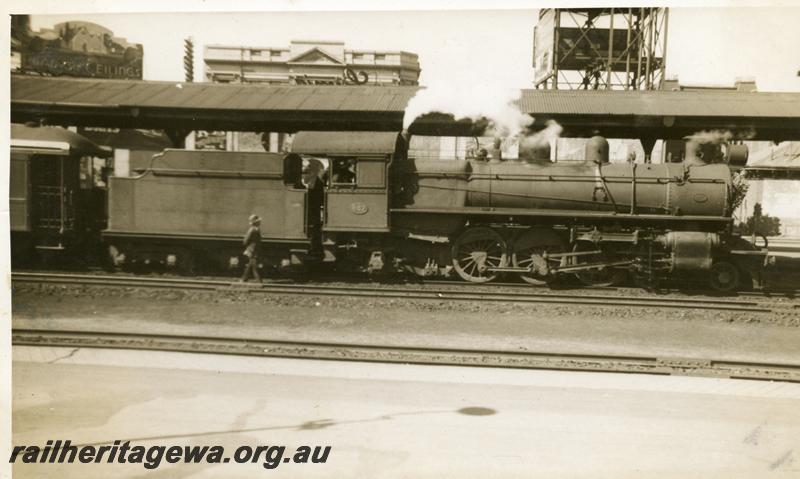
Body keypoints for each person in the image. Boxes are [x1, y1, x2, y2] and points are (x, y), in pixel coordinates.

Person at [241, 214, 262, 282]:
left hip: (252, 249)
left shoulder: (253, 230)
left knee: (251, 265)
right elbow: (246, 240)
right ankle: (258, 280)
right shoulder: (255, 230)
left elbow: (245, 241)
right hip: (252, 250)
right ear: (255, 223)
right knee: (253, 265)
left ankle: (244, 279)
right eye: (258, 221)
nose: (260, 222)